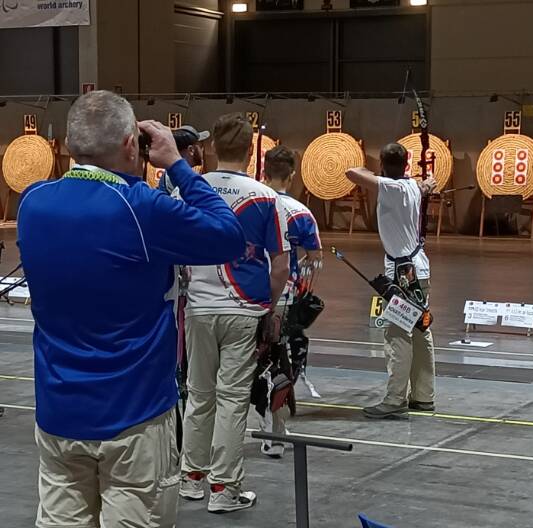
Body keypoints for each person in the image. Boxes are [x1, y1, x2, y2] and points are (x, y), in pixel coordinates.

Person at [17, 90, 246, 528]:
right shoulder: (143, 210)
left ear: (68, 144)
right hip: (134, 419)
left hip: (59, 414)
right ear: (130, 146)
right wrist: (177, 164)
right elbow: (228, 234)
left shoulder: (32, 203)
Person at [181, 113, 290, 513]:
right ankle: (224, 490)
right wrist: (270, 308)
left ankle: (192, 480)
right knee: (231, 399)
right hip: (245, 309)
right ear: (250, 152)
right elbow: (280, 265)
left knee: (199, 394)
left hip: (199, 308)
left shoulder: (191, 190)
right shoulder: (265, 197)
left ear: (211, 148)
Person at [346, 142, 436, 420]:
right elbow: (421, 185)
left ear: (383, 166)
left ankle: (396, 399)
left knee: (397, 333)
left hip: (402, 275)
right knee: (421, 330)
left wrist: (378, 173)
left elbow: (351, 171)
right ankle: (423, 396)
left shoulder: (392, 187)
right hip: (418, 270)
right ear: (407, 163)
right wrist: (427, 183)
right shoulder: (411, 186)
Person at [259, 145, 322, 458]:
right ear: (293, 175)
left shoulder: (252, 202)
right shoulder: (301, 213)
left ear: (264, 171)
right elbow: (314, 260)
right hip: (282, 297)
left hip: (245, 294)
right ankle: (276, 434)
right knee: (278, 363)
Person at [158, 124, 209, 192]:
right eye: (200, 147)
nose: (202, 150)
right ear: (191, 150)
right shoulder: (183, 178)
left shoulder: (173, 173)